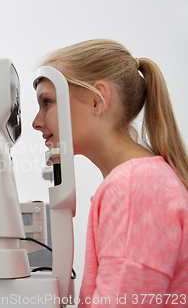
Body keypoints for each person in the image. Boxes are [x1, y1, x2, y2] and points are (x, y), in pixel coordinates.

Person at [32, 39, 188, 307]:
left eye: (47, 102)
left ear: (97, 99)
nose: (37, 122)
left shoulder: (134, 187)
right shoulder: (138, 181)